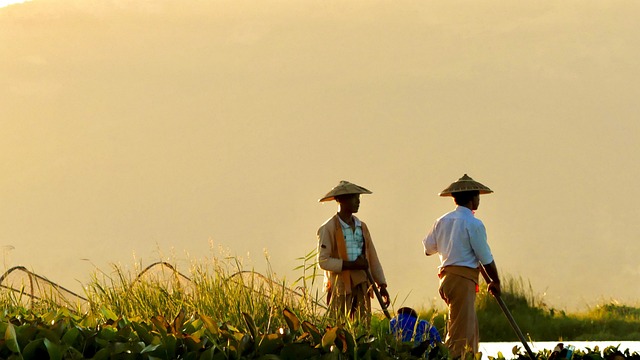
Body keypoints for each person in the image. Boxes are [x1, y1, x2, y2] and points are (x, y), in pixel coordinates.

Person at [422, 174, 501, 358]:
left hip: (447, 280)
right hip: (461, 280)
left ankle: (469, 356)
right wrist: (495, 281)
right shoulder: (473, 223)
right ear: (472, 199)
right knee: (461, 333)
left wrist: (450, 245)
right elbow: (486, 258)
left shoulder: (442, 221)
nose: (479, 201)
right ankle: (455, 357)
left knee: (467, 326)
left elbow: (428, 248)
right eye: (478, 197)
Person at [317, 180, 390, 326]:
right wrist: (351, 265)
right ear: (341, 200)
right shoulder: (329, 228)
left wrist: (381, 284)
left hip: (363, 282)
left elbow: (373, 258)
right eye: (354, 198)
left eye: (358, 198)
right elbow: (323, 261)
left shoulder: (361, 226)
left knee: (363, 324)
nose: (358, 202)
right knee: (338, 324)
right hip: (341, 285)